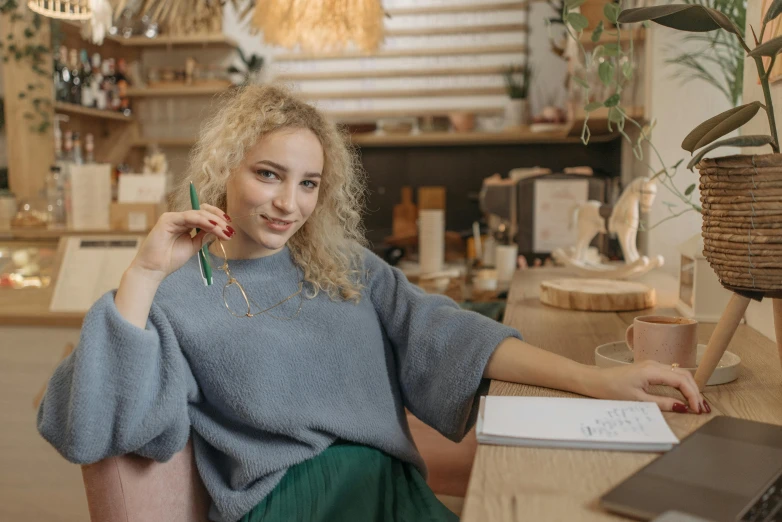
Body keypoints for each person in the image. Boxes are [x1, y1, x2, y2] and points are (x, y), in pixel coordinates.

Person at [37, 85, 707, 522]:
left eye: (307, 183)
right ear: (223, 169)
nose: (287, 203)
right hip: (290, 506)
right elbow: (87, 430)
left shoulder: (344, 268)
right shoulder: (174, 298)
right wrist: (145, 273)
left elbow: (452, 334)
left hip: (389, 493)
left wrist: (602, 380)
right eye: (267, 174)